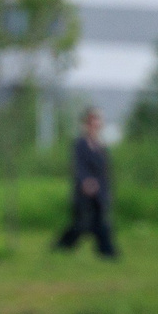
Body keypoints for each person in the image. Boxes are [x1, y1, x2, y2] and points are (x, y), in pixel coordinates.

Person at [55, 107, 117, 259]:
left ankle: (107, 253)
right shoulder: (80, 144)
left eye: (98, 122)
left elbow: (105, 172)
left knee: (102, 223)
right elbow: (78, 166)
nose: (95, 125)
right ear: (86, 124)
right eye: (92, 122)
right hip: (84, 193)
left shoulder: (101, 146)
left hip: (100, 193)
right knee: (81, 224)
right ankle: (61, 246)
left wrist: (106, 191)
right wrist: (86, 181)